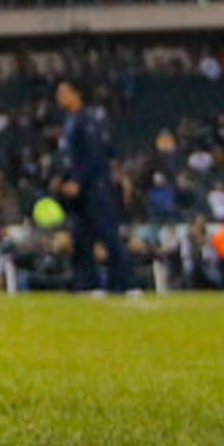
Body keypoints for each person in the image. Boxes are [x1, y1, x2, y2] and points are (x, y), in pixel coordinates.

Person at [53, 81, 138, 296]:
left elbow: (94, 154)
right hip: (78, 188)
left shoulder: (88, 119)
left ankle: (124, 283)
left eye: (63, 92)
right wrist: (62, 178)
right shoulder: (70, 121)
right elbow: (70, 157)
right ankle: (87, 283)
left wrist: (78, 180)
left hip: (95, 185)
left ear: (76, 94)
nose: (59, 97)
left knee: (108, 232)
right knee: (81, 236)